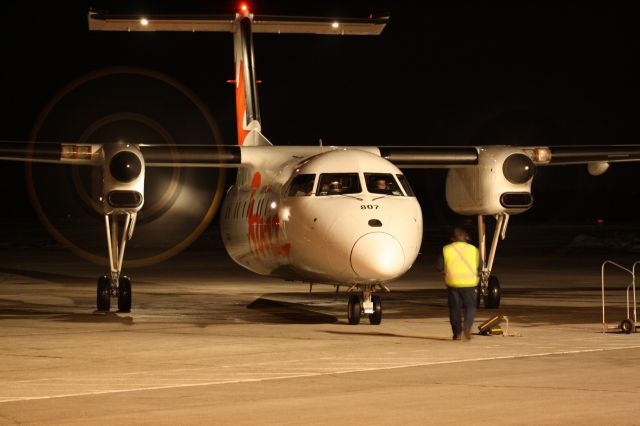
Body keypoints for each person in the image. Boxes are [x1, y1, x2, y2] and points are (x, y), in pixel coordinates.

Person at [437, 227, 480, 340]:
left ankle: (457, 333)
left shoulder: (446, 249)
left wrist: (445, 272)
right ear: (466, 237)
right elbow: (480, 266)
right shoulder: (473, 249)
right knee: (470, 307)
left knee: (454, 309)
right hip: (470, 284)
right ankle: (467, 325)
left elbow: (439, 267)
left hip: (453, 284)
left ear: (452, 238)